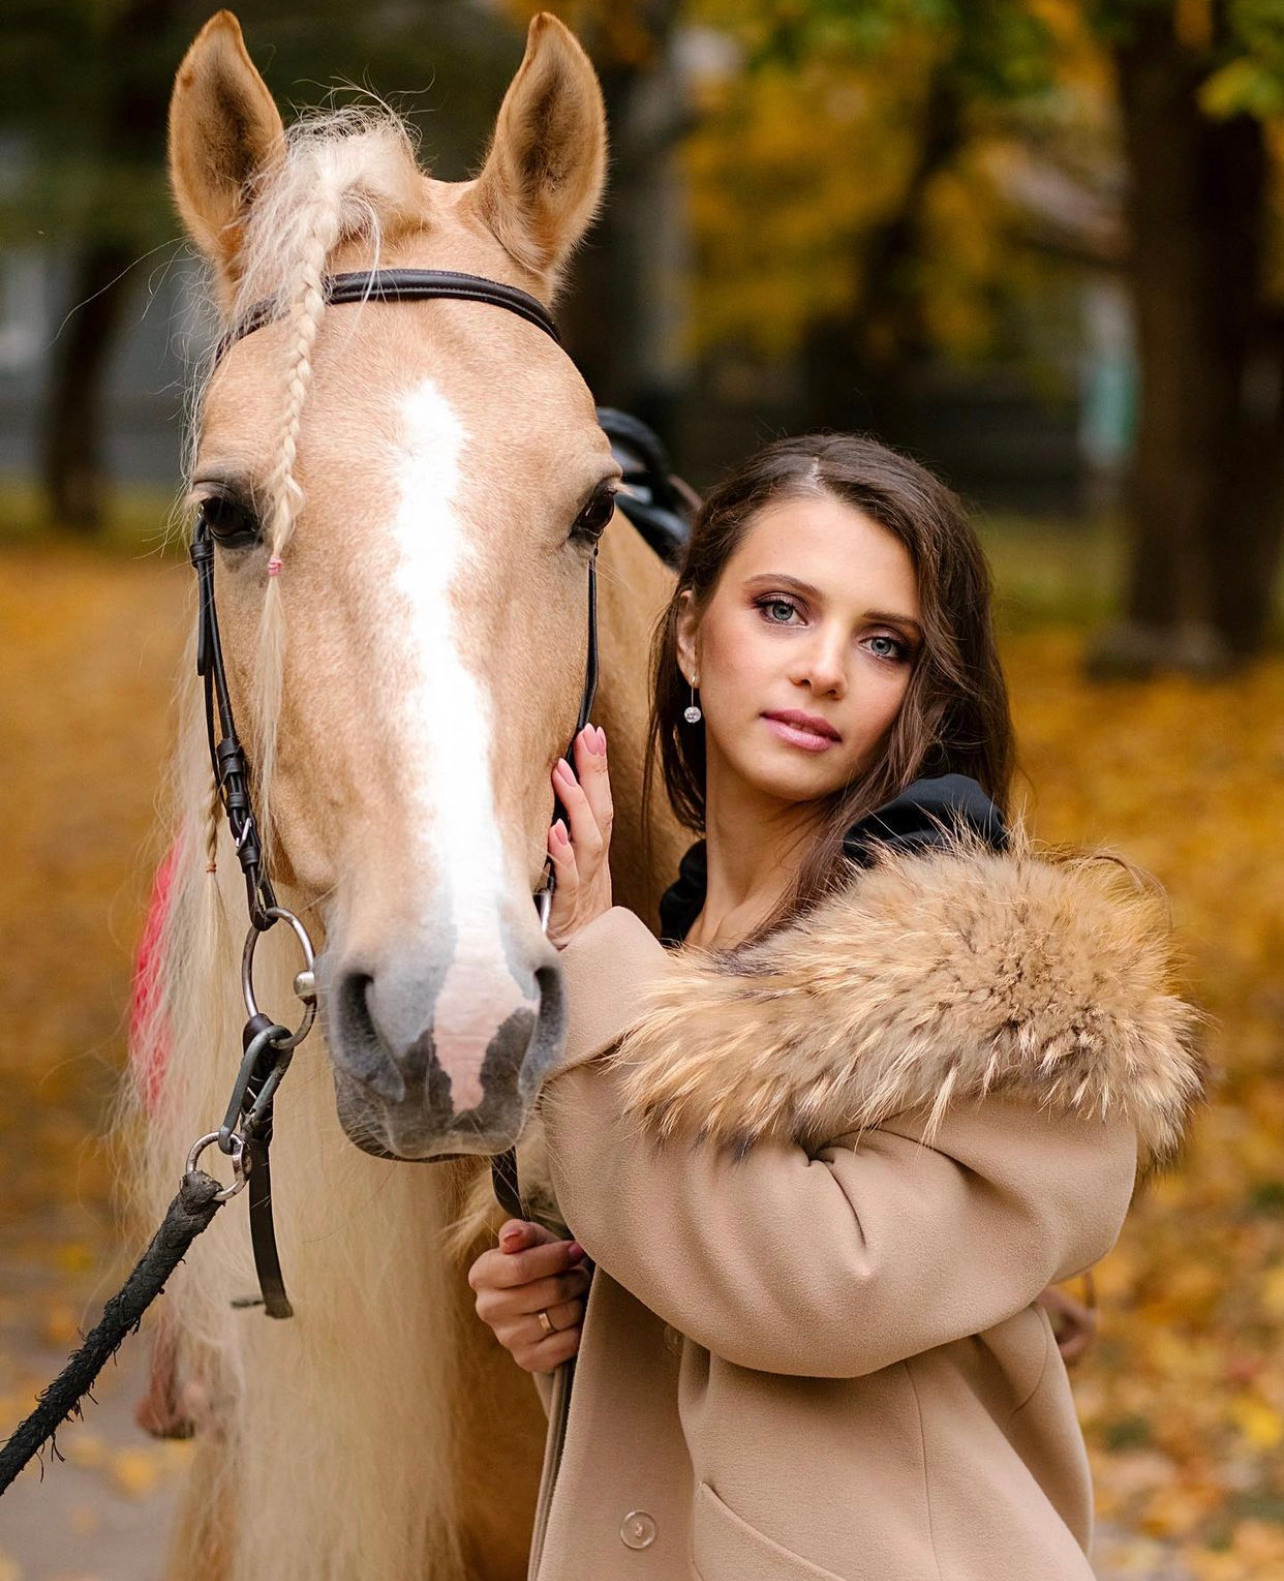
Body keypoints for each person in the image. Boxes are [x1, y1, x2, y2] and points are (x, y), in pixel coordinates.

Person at [467, 434, 1202, 1581]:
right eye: (781, 610)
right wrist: (568, 1313)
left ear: (924, 688)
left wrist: (591, 967)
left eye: (883, 642)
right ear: (689, 634)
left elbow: (824, 1289)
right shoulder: (678, 961)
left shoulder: (973, 995)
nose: (822, 669)